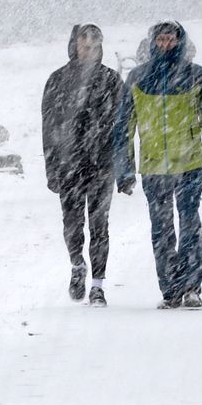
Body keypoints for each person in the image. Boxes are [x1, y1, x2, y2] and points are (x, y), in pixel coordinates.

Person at [114, 21, 202, 309]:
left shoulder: (196, 76)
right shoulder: (138, 78)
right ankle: (170, 289)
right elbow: (123, 125)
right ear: (153, 42)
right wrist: (124, 168)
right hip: (153, 167)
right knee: (161, 230)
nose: (166, 45)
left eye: (171, 39)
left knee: (189, 225)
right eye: (161, 39)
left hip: (189, 164)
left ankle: (191, 287)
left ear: (180, 42)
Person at [41, 24, 123, 306]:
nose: (88, 52)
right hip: (68, 164)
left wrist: (121, 164)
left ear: (101, 48)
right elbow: (48, 126)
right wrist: (52, 166)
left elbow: (122, 126)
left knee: (100, 226)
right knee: (72, 224)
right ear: (74, 46)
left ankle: (98, 285)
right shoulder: (57, 81)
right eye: (83, 46)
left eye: (93, 47)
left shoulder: (111, 81)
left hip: (102, 164)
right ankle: (77, 264)